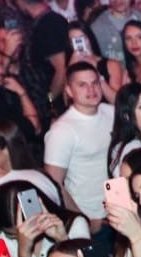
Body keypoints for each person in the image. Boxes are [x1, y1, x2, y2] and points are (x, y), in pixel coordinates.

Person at [44, 62, 115, 226]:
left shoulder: (111, 112)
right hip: (93, 217)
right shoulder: (62, 131)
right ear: (69, 91)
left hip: (119, 210)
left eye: (95, 83)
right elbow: (53, 184)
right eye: (82, 85)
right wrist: (83, 220)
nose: (91, 89)